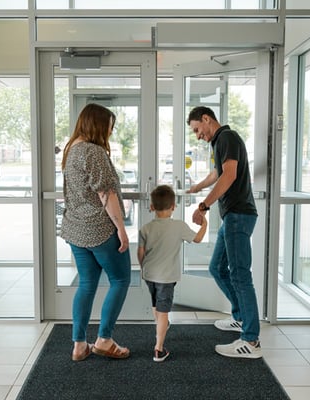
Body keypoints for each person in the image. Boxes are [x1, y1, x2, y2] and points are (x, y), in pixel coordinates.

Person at [187, 106, 262, 359]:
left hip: (238, 216)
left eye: (197, 129)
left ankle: (250, 341)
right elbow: (218, 173)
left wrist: (204, 206)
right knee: (217, 268)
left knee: (240, 276)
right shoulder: (221, 142)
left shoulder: (227, 138)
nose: (198, 135)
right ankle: (241, 318)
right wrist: (198, 186)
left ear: (207, 119)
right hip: (233, 216)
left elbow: (229, 176)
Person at [61, 103, 131, 361]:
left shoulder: (71, 151)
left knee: (87, 284)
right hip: (100, 229)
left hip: (76, 229)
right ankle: (104, 339)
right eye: (109, 128)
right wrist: (122, 230)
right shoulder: (93, 152)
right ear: (98, 125)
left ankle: (79, 345)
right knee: (121, 280)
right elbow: (106, 193)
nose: (110, 133)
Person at [137, 184, 207, 362]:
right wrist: (204, 223)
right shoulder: (179, 226)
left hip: (149, 274)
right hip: (167, 277)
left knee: (156, 304)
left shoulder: (145, 229)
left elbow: (140, 253)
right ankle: (158, 349)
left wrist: (143, 267)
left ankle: (162, 324)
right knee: (164, 310)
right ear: (173, 207)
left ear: (152, 207)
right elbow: (198, 239)